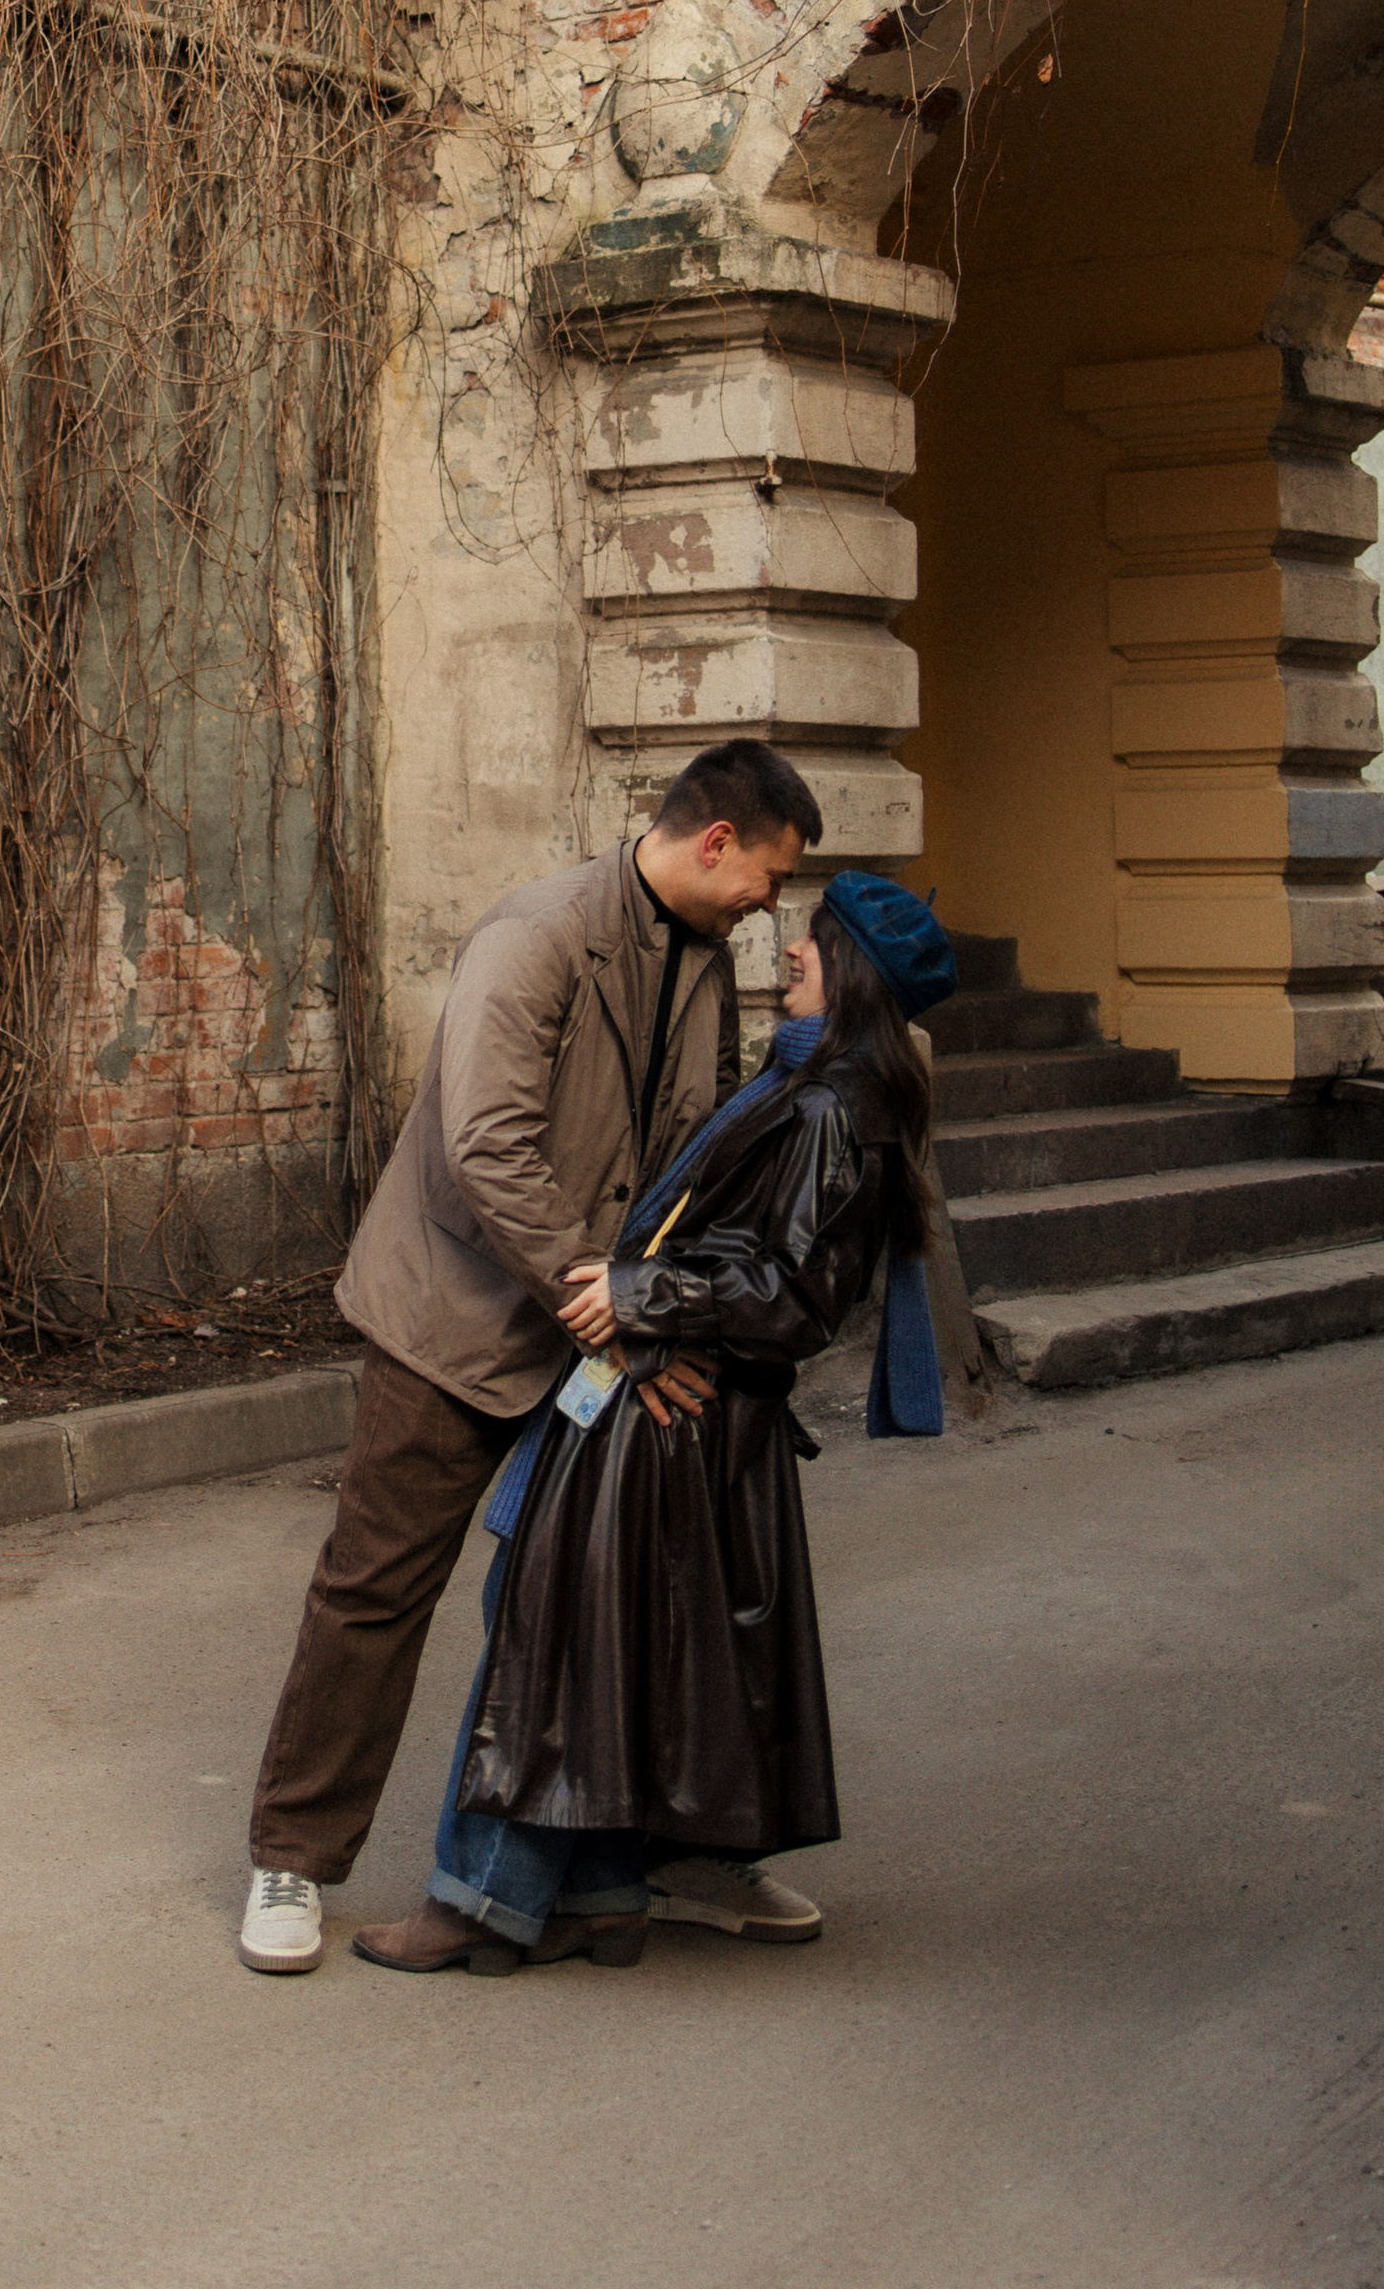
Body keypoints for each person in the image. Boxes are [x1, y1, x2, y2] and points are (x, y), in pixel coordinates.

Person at [238, 740, 823, 1976]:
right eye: (770, 874)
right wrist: (604, 1305)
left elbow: (698, 1155)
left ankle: (657, 1862)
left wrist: (664, 1311)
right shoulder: (538, 934)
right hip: (455, 1316)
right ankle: (292, 1854)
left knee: (613, 1600)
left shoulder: (711, 962)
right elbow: (486, 1145)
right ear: (716, 842)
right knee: (375, 1588)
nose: (774, 903)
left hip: (597, 1325)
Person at [349, 869, 949, 1974]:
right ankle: (602, 1893)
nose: (791, 951)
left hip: (674, 1409)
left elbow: (794, 1293)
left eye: (813, 942)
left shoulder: (829, 1105)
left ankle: (482, 1901)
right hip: (678, 1410)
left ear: (853, 971)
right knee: (603, 1643)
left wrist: (636, 1299)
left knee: (551, 1641)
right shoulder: (818, 1083)